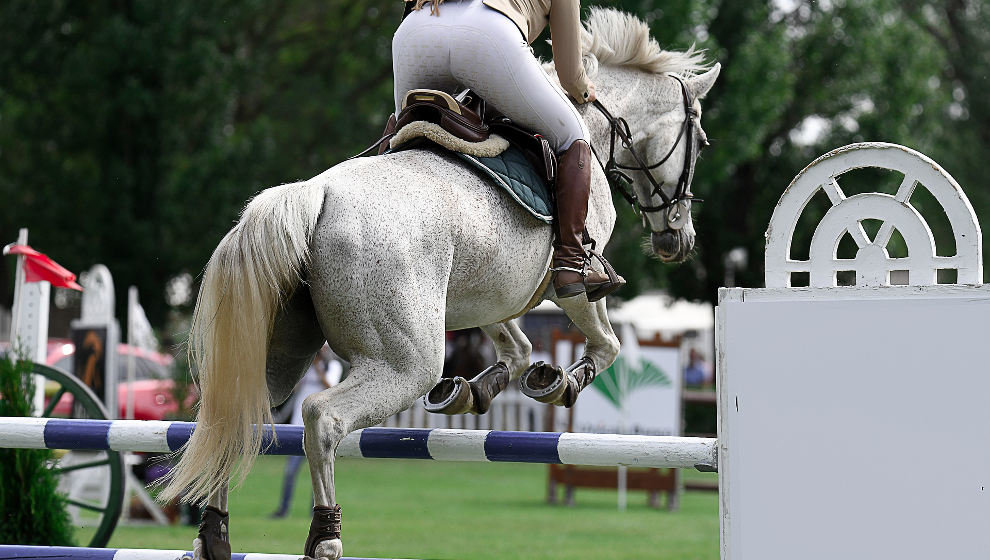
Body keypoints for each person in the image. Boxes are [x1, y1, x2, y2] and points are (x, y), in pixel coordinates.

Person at [390, 0, 624, 300]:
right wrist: (582, 88)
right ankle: (571, 263)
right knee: (574, 134)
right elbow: (568, 71)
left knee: (406, 128)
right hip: (487, 33)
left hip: (416, 31)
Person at [270, 345, 341, 518]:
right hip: (298, 428)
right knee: (290, 472)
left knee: (319, 475)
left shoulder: (333, 366)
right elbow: (292, 389)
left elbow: (331, 387)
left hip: (320, 430)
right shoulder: (307, 368)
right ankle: (283, 509)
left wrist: (318, 367)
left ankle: (317, 511)